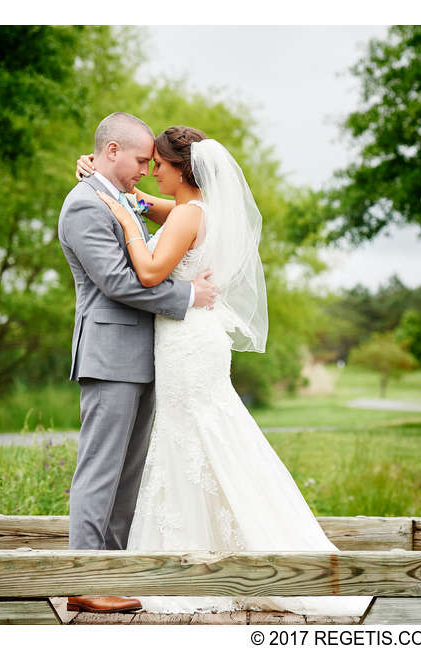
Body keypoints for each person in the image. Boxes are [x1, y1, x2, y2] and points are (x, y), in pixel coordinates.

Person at [74, 125, 373, 618]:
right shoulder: (202, 209)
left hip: (187, 343)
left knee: (192, 440)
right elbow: (149, 204)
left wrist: (126, 224)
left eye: (159, 165)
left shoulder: (188, 214)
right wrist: (113, 189)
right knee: (202, 440)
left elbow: (147, 272)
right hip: (194, 339)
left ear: (180, 169)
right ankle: (213, 553)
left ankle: (191, 563)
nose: (151, 172)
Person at [57, 112, 217, 614]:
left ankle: (114, 572)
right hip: (109, 356)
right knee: (100, 470)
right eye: (141, 160)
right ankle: (84, 578)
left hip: (144, 355)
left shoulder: (115, 196)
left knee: (128, 474)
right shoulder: (85, 206)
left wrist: (133, 201)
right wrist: (190, 295)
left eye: (154, 163)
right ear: (112, 152)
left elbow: (144, 208)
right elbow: (120, 282)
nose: (146, 170)